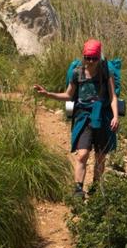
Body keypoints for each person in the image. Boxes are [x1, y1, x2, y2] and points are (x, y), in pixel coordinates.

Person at [33, 38, 120, 199]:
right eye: (88, 58)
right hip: (83, 117)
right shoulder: (77, 72)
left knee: (100, 155)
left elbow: (113, 97)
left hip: (102, 116)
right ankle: (78, 189)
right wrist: (48, 94)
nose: (91, 61)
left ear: (99, 56)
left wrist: (115, 117)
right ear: (83, 56)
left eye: (94, 58)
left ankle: (96, 186)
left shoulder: (106, 72)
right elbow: (68, 95)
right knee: (82, 154)